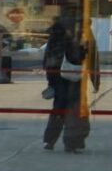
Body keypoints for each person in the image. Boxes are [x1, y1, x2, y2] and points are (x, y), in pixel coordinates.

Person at [41, 16, 102, 153]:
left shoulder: (57, 30)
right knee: (76, 108)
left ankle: (49, 140)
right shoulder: (84, 29)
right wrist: (95, 80)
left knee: (59, 107)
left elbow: (49, 55)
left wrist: (50, 79)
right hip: (77, 76)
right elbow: (93, 56)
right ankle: (72, 142)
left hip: (58, 75)